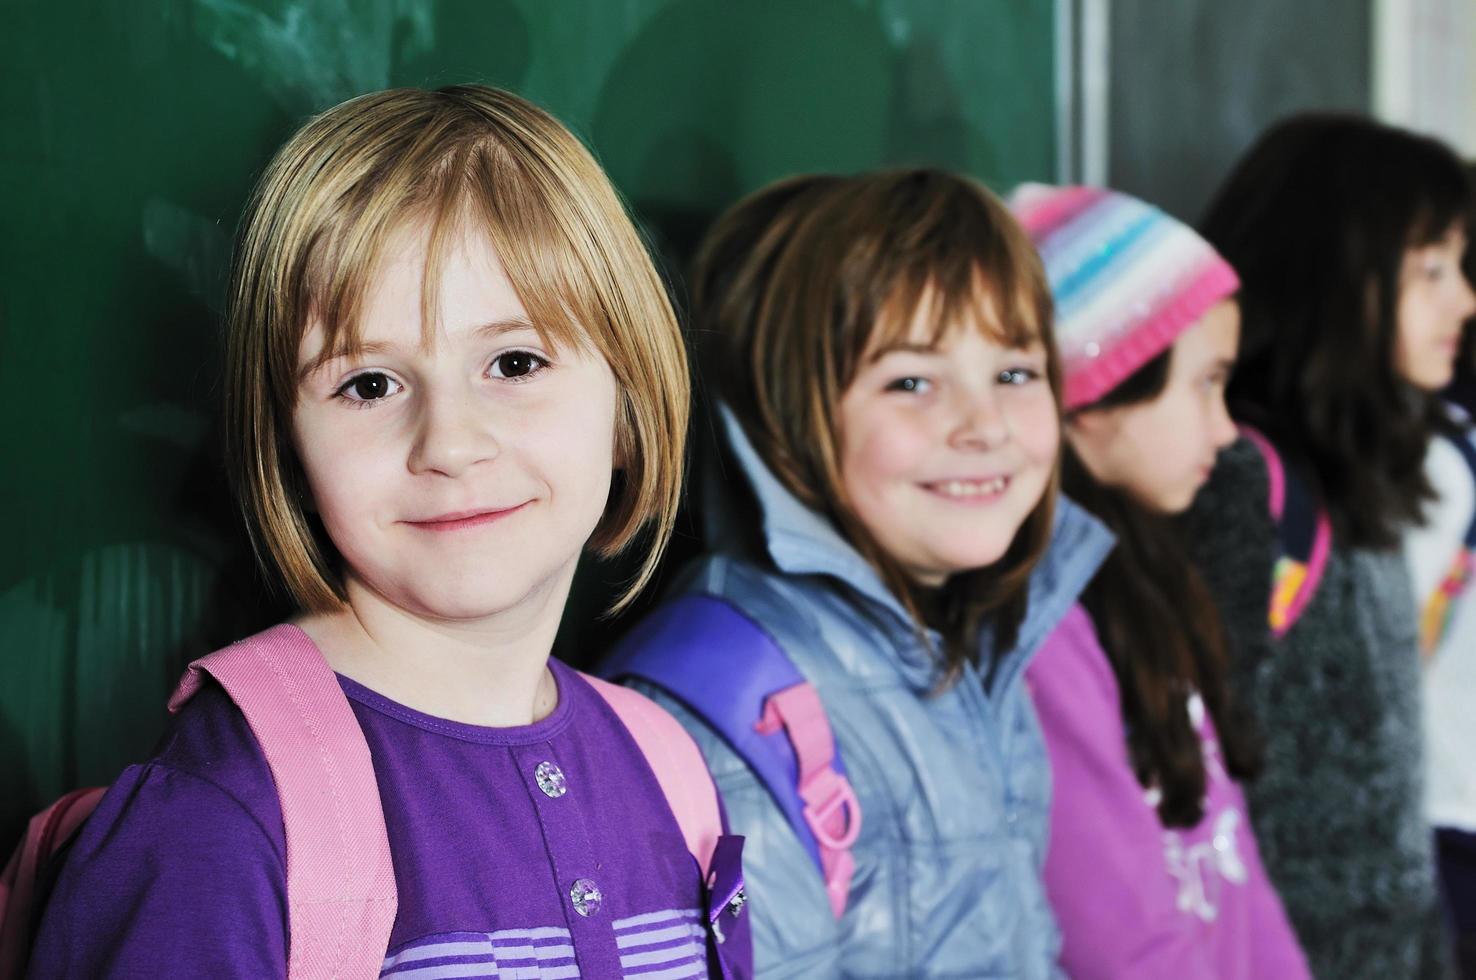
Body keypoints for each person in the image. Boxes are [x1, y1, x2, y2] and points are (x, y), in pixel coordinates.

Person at [27, 84, 743, 978]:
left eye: (515, 362)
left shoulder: (667, 769)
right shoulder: (218, 819)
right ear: (288, 443)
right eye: (368, 384)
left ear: (629, 405)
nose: (449, 443)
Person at [614, 169, 1112, 977]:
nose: (984, 425)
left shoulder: (971, 640)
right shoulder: (730, 710)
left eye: (1015, 373)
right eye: (911, 381)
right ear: (792, 419)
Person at [1190, 113, 1475, 978]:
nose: (1465, 299)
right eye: (1432, 270)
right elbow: (1185, 788)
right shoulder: (1240, 483)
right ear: (1331, 277)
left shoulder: (1372, 468)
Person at [1011, 184, 1309, 978]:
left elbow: (1235, 857)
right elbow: (1115, 933)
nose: (1225, 429)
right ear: (1096, 391)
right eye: (1206, 384)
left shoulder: (1148, 574)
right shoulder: (1038, 625)